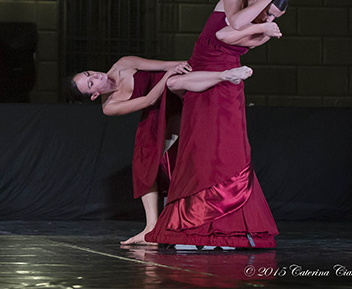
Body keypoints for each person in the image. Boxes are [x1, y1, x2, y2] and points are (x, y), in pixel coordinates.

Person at [144, 0, 288, 249]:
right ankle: (189, 225)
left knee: (228, 152)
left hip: (227, 84)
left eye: (274, 15)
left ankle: (224, 228)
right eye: (268, 8)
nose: (268, 16)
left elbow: (230, 35)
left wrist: (266, 26)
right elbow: (228, 27)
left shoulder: (261, 30)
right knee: (199, 146)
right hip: (202, 77)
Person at [70, 57, 253, 245]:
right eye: (91, 83)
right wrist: (167, 76)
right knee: (143, 165)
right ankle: (151, 228)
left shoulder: (122, 64)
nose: (95, 76)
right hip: (157, 107)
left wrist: (180, 70)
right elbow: (148, 100)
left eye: (89, 73)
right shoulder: (109, 106)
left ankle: (221, 77)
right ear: (94, 94)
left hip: (175, 89)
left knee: (175, 84)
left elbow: (168, 65)